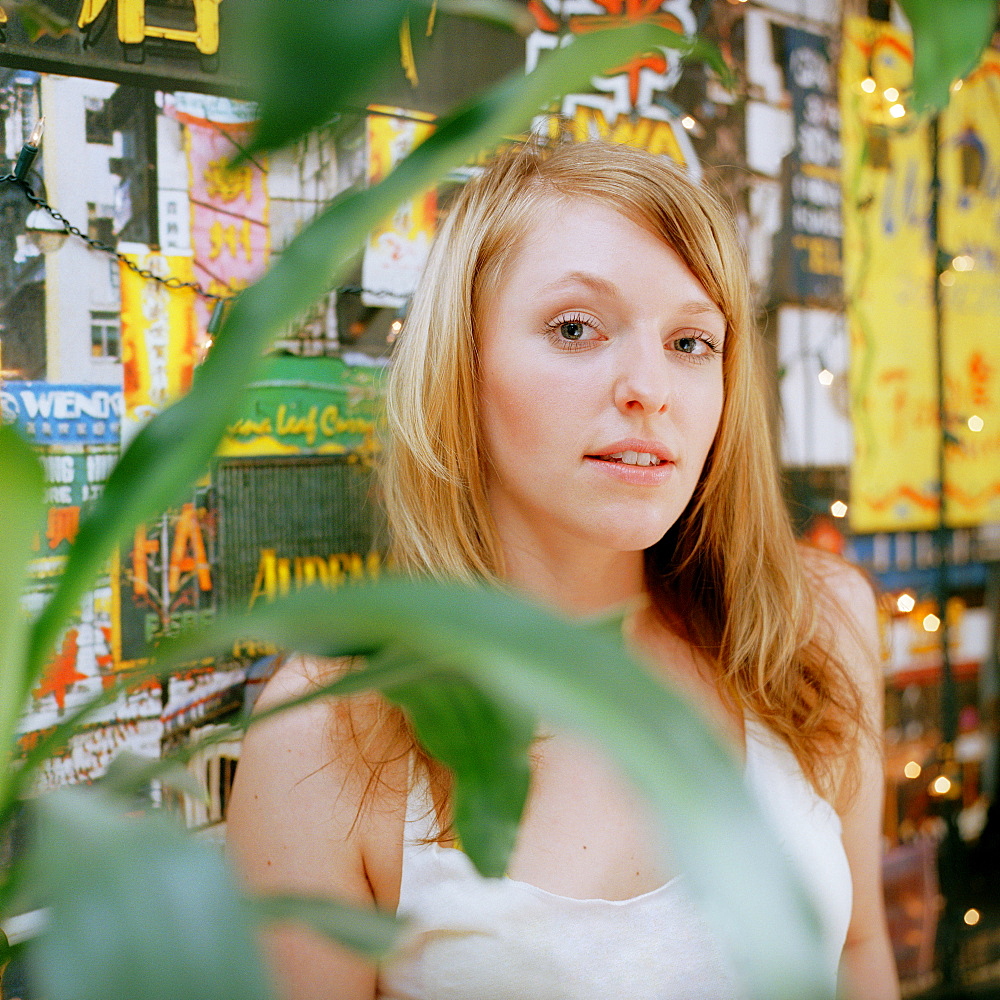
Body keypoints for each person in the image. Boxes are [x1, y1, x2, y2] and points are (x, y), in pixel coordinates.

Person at [226, 139, 900, 1000]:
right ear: (460, 370)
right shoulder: (331, 734)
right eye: (576, 328)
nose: (649, 387)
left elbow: (860, 955)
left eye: (692, 341)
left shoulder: (815, 628)